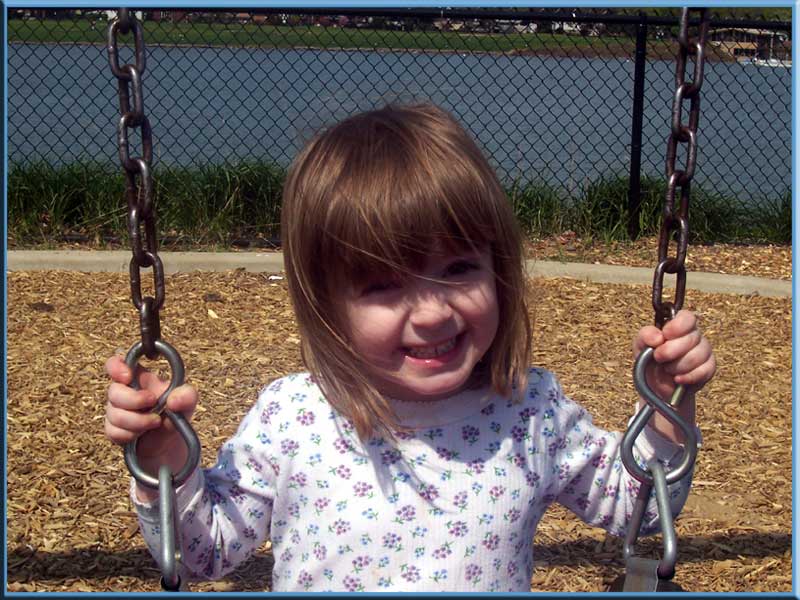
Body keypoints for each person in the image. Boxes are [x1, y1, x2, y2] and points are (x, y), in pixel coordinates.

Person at [104, 103, 716, 592]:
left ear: (499, 271)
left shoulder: (529, 411)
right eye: (383, 285)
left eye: (458, 269)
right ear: (326, 305)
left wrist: (668, 407)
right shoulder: (294, 419)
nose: (432, 313)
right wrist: (165, 461)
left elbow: (638, 510)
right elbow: (206, 552)